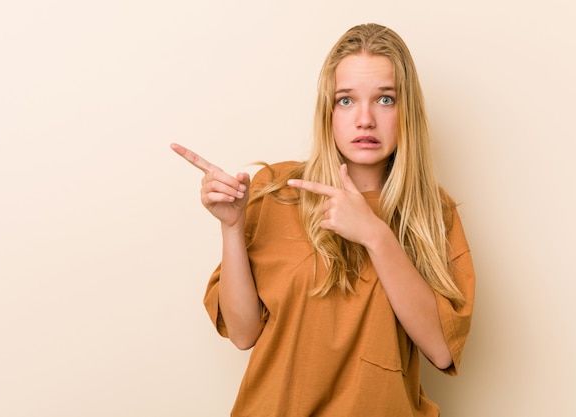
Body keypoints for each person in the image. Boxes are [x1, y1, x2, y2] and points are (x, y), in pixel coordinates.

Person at [171, 23, 474, 417]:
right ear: (327, 111)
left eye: (385, 99)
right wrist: (231, 226)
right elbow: (243, 334)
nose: (364, 119)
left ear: (407, 110)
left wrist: (375, 235)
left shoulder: (433, 212)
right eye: (346, 100)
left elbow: (439, 347)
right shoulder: (277, 190)